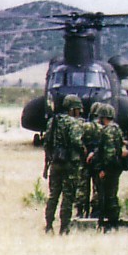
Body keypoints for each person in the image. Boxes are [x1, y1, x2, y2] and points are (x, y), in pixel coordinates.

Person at [43, 94, 84, 235]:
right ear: (72, 109)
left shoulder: (53, 121)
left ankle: (48, 225)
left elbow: (46, 142)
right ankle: (64, 228)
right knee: (68, 197)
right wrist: (83, 149)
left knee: (53, 195)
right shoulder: (73, 123)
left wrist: (48, 159)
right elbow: (76, 141)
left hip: (55, 163)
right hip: (70, 164)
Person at [88, 103, 124, 231]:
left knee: (108, 196)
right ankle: (111, 222)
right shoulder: (116, 129)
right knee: (110, 195)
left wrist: (104, 170)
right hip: (114, 168)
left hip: (110, 170)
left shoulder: (108, 131)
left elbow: (109, 154)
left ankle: (110, 223)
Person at [76, 101, 102, 218]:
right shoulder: (104, 128)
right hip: (98, 161)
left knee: (82, 186)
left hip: (84, 160)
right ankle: (95, 211)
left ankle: (81, 211)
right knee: (97, 187)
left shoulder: (84, 126)